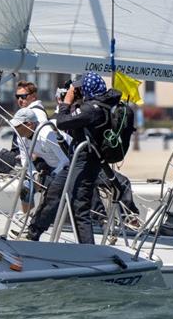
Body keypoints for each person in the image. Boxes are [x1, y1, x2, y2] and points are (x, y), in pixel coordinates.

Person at [51, 71, 122, 244]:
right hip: (85, 160)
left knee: (79, 205)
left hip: (85, 161)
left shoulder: (91, 109)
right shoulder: (100, 105)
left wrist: (66, 103)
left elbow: (61, 122)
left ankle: (88, 249)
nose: (78, 91)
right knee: (62, 196)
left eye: (80, 88)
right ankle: (35, 232)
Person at [8, 108, 69, 217]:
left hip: (66, 168)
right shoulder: (21, 138)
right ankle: (26, 216)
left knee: (51, 193)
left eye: (17, 126)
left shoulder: (48, 134)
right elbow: (25, 160)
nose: (14, 129)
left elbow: (66, 160)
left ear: (29, 124)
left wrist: (53, 176)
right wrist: (34, 174)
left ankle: (40, 220)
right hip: (50, 167)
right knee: (26, 187)